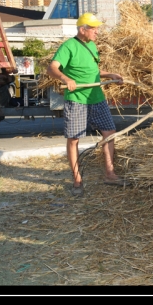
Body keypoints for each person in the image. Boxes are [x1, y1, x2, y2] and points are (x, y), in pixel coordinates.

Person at [46, 13, 125, 197]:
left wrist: (110, 74)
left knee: (109, 133)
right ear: (83, 30)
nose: (97, 31)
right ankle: (77, 180)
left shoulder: (92, 46)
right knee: (74, 139)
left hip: (97, 97)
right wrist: (65, 78)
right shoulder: (68, 46)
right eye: (94, 28)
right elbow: (52, 68)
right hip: (77, 100)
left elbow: (93, 70)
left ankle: (110, 174)